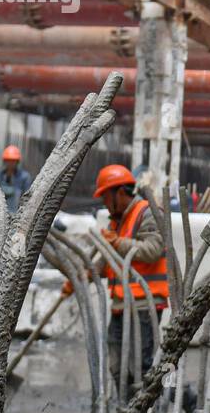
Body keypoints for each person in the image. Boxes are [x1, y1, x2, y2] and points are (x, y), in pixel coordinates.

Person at [66, 164, 169, 399]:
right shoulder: (118, 220)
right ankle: (128, 408)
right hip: (121, 303)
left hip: (145, 303)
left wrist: (117, 243)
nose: (104, 203)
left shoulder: (148, 212)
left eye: (105, 197)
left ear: (120, 193)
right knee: (117, 366)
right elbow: (109, 260)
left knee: (145, 367)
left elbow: (152, 250)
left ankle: (181, 394)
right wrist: (83, 277)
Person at [0, 144, 33, 214]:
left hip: (17, 216)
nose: (10, 163)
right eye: (8, 160)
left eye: (13, 160)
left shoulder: (24, 177)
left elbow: (27, 200)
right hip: (0, 215)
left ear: (17, 161)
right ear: (5, 161)